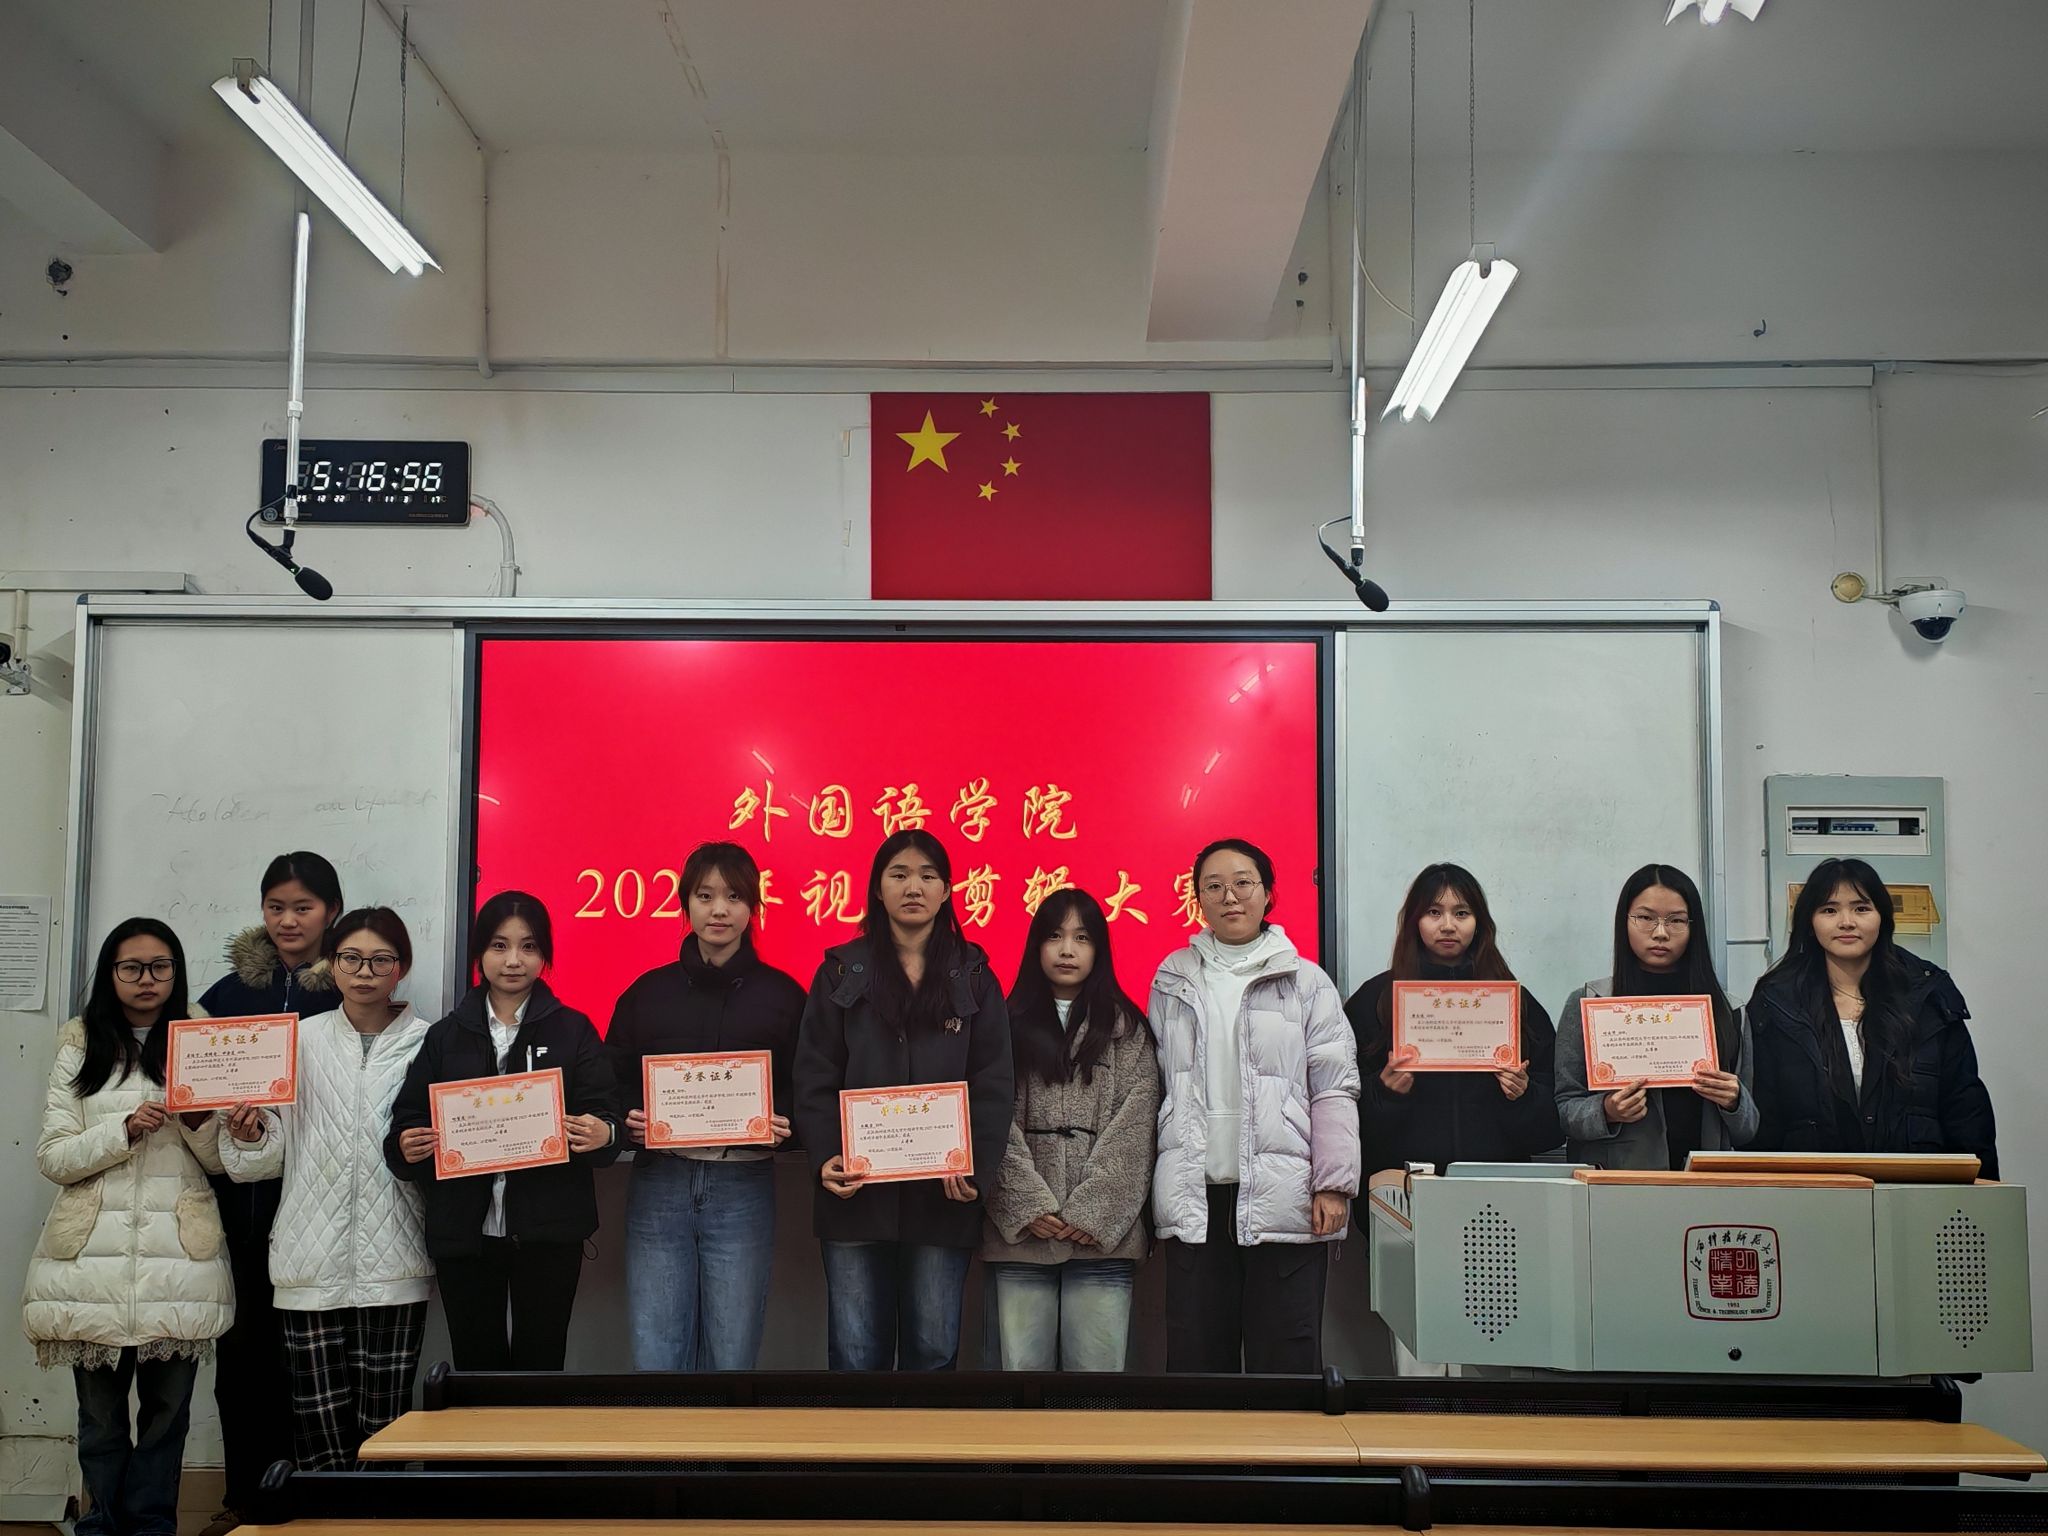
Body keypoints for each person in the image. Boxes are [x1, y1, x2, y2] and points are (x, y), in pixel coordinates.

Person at [24, 919, 234, 1536]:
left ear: (177, 973)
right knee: (101, 1420)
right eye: (132, 967)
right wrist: (122, 1130)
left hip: (178, 1260)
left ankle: (152, 1527)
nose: (147, 980)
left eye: (160, 967)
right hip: (93, 1262)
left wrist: (203, 1124)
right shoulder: (81, 1045)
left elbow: (220, 1163)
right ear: (110, 974)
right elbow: (53, 1157)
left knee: (168, 1418)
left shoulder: (203, 1042)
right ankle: (100, 1526)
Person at [219, 908, 432, 1471]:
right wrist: (250, 1135)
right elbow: (267, 1159)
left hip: (397, 1261)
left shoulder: (431, 1044)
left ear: (401, 967)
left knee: (385, 1434)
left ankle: (379, 1520)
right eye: (351, 958)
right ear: (331, 965)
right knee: (318, 1436)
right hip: (307, 1262)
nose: (364, 972)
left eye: (380, 960)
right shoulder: (295, 1041)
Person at [793, 830, 1013, 1371]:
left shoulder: (975, 976)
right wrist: (825, 1156)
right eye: (899, 875)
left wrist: (976, 1170)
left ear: (947, 890)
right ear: (877, 889)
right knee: (855, 1354)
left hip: (943, 1196)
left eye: (927, 876)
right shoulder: (839, 972)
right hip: (855, 1194)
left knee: (934, 1351)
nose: (913, 887)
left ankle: (924, 1437)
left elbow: (993, 1082)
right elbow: (814, 1074)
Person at [385, 892, 622, 1371]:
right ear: (479, 953)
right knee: (476, 1366)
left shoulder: (573, 1030)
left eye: (528, 946)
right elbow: (406, 1122)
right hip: (465, 1234)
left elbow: (607, 1116)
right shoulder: (445, 1035)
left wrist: (605, 1134)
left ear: (544, 955)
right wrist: (408, 1144)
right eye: (499, 945)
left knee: (541, 1363)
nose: (514, 960)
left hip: (550, 1232)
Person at [1150, 838, 1360, 1374]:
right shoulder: (1172, 977)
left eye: (1243, 882)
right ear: (1198, 898)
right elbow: (1160, 1082)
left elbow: (1334, 1087)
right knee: (1196, 1358)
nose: (1230, 896)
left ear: (1268, 893)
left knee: (1284, 1357)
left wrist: (1334, 1183)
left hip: (1284, 1194)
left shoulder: (1306, 981)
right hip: (1197, 1197)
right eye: (1214, 886)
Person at [606, 842, 805, 1371]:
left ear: (753, 906)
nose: (720, 910)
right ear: (685, 903)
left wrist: (788, 1122)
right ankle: (664, 1435)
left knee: (732, 1356)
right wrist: (628, 1117)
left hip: (743, 1182)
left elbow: (808, 1083)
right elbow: (610, 1077)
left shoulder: (784, 996)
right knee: (657, 1355)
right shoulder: (647, 993)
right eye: (705, 895)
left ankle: (724, 1434)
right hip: (660, 1182)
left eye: (734, 897)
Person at [194, 851, 341, 1531]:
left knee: (309, 1354)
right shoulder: (225, 997)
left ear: (331, 912)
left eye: (303, 907)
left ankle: (310, 1495)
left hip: (315, 1199)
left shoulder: (347, 991)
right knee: (240, 1350)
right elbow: (190, 1089)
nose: (288, 920)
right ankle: (244, 1499)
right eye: (276, 906)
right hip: (239, 1202)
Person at [982, 889, 1159, 1372]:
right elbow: (990, 1119)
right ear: (1035, 946)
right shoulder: (1002, 1025)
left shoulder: (1128, 1029)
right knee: (1022, 1379)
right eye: (1054, 937)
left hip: (1102, 1241)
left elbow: (1136, 1126)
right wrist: (1027, 1204)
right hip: (1021, 1239)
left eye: (1082, 938)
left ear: (1099, 950)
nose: (1067, 950)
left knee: (1095, 1387)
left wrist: (1093, 1211)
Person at [1750, 857, 1996, 1174]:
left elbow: (1965, 1105)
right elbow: (1765, 1113)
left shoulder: (1928, 993)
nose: (1846, 922)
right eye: (1829, 910)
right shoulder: (1777, 999)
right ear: (1810, 921)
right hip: (1813, 1187)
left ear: (1882, 917)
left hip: (1917, 1186)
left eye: (1861, 908)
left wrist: (1983, 1188)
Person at [1347, 863, 1561, 1178]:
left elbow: (1554, 1126)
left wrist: (1523, 1096)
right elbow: (1340, 1112)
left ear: (1479, 922)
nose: (1448, 926)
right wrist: (1385, 1092)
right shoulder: (1376, 999)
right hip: (1400, 1185)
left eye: (1461, 913)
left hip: (1495, 1187)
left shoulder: (1514, 1002)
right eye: (1434, 912)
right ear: (1414, 920)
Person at [1554, 864, 1756, 1168]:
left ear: (1693, 927)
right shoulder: (1589, 1002)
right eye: (1645, 918)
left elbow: (1749, 1129)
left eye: (1676, 920)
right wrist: (1606, 1111)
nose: (1661, 933)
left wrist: (1735, 1101)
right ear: (1624, 921)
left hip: (1703, 1180)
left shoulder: (1729, 1011)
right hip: (1618, 1180)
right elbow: (1565, 1110)